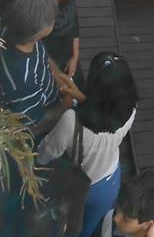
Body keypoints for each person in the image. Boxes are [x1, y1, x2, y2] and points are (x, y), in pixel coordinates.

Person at [38, 52, 138, 237]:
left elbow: (47, 153)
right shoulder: (130, 109)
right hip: (110, 181)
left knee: (68, 225)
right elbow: (107, 115)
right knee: (88, 230)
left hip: (81, 184)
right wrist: (82, 97)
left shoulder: (71, 120)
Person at [0, 0, 83, 137]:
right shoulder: (23, 81)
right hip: (44, 114)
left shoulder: (13, 29)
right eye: (51, 19)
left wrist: (59, 76)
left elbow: (42, 56)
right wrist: (66, 104)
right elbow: (34, 124)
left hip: (51, 93)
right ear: (39, 33)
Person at [22, 0, 83, 85]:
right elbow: (35, 44)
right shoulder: (37, 3)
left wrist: (75, 55)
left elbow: (74, 20)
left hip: (69, 54)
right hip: (49, 62)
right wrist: (57, 74)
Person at [101, 170, 154, 237]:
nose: (115, 218)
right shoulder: (110, 218)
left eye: (125, 218)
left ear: (146, 224)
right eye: (119, 208)